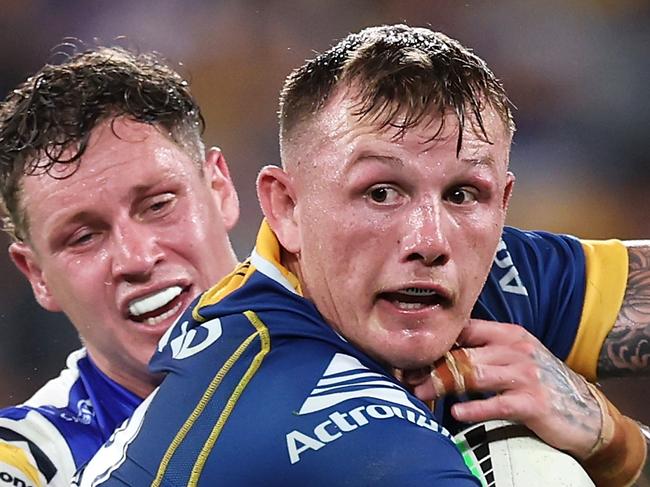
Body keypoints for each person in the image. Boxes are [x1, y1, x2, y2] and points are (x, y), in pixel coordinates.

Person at [74, 25, 646, 486]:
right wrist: (616, 448)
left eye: (463, 194)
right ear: (288, 207)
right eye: (380, 193)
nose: (429, 240)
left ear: (503, 203)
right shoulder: (316, 418)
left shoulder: (482, 273)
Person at [0, 46, 240, 487]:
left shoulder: (379, 353)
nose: (136, 258)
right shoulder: (32, 464)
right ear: (37, 276)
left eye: (158, 205)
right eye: (84, 237)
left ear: (220, 188)